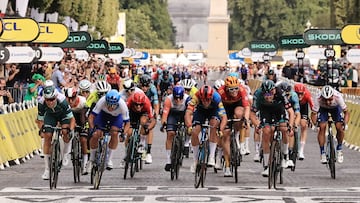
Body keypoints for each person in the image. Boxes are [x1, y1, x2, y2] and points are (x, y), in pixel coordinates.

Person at [250, 80, 294, 177]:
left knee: (283, 129)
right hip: (265, 111)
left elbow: (291, 112)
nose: (268, 96)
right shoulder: (258, 94)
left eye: (271, 93)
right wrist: (257, 124)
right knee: (266, 132)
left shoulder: (281, 94)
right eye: (266, 94)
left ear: (274, 90)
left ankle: (285, 155)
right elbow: (252, 114)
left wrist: (290, 126)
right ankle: (267, 166)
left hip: (279, 110)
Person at [184, 85, 227, 173]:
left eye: (208, 100)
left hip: (213, 111)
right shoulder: (196, 96)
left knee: (214, 125)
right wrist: (189, 126)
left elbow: (224, 117)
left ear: (211, 98)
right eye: (203, 100)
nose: (206, 102)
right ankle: (195, 161)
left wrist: (221, 130)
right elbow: (188, 113)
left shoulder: (217, 98)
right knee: (195, 131)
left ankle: (211, 156)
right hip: (200, 111)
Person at [36, 85, 75, 180]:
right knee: (47, 136)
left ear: (56, 97)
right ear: (44, 98)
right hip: (50, 116)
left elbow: (72, 119)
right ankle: (47, 169)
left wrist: (70, 129)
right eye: (48, 100)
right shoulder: (41, 103)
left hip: (63, 116)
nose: (50, 102)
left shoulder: (63, 101)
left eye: (52, 99)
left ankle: (66, 153)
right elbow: (40, 120)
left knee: (65, 131)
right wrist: (42, 130)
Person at [88, 89, 130, 170]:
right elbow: (91, 117)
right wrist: (92, 128)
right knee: (96, 134)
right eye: (108, 104)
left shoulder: (122, 104)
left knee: (115, 133)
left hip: (116, 117)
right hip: (103, 115)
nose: (110, 107)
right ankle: (91, 159)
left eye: (113, 105)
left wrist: (123, 133)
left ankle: (109, 159)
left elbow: (127, 123)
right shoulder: (102, 101)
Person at [217, 76, 250, 177]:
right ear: (226, 88)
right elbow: (217, 109)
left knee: (240, 115)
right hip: (224, 108)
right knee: (225, 135)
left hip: (237, 105)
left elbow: (247, 107)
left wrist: (246, 120)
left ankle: (239, 137)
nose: (234, 91)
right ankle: (227, 166)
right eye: (231, 89)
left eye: (236, 88)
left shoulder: (241, 90)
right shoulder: (220, 92)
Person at [310, 85, 349, 164]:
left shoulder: (338, 96)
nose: (328, 102)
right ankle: (322, 153)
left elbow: (346, 112)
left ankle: (339, 149)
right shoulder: (318, 98)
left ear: (333, 96)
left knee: (339, 127)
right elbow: (313, 114)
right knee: (322, 127)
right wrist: (315, 124)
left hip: (335, 108)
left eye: (330, 99)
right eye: (325, 100)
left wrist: (345, 123)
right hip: (323, 109)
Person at [160, 85, 191, 171]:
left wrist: (189, 126)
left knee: (190, 128)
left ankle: (186, 144)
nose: (177, 100)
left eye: (179, 98)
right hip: (173, 114)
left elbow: (190, 114)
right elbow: (165, 113)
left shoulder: (187, 99)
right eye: (176, 98)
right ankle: (168, 161)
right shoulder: (168, 99)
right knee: (170, 134)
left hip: (184, 114)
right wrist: (163, 123)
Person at [64, 87, 90, 175]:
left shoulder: (83, 101)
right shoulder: (64, 103)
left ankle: (85, 163)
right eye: (69, 99)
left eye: (73, 99)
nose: (71, 101)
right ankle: (67, 152)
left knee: (83, 139)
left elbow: (87, 116)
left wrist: (85, 126)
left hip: (81, 116)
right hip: (70, 116)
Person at [126, 92, 157, 161]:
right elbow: (123, 115)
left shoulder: (147, 103)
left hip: (144, 113)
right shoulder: (129, 101)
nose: (138, 106)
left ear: (143, 103)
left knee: (143, 122)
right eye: (136, 104)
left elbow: (153, 120)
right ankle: (127, 154)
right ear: (133, 102)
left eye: (140, 105)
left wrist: (148, 128)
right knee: (129, 133)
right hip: (132, 112)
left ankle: (142, 144)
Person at [138, 74, 159, 164]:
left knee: (148, 126)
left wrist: (156, 114)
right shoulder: (136, 89)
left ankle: (148, 152)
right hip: (137, 107)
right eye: (142, 85)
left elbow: (156, 104)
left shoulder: (153, 89)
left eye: (146, 86)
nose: (144, 88)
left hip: (148, 108)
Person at [293, 83, 314, 160]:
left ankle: (301, 150)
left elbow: (313, 108)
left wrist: (313, 119)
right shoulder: (292, 95)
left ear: (304, 93)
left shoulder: (307, 95)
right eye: (298, 94)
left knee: (303, 124)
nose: (299, 96)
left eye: (301, 94)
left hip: (303, 107)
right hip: (294, 106)